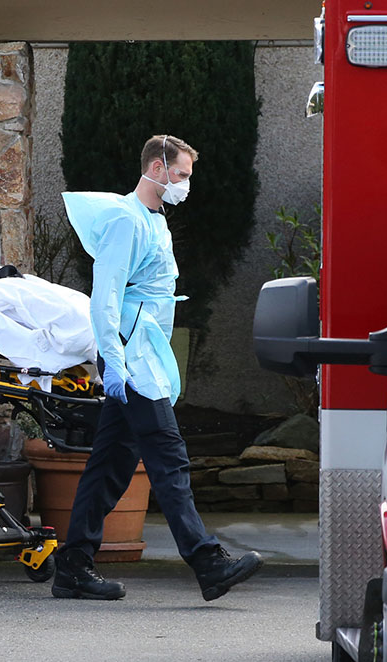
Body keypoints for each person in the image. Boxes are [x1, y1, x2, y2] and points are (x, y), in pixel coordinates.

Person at [54, 135, 263, 602]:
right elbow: (105, 296)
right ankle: (208, 562)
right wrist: (112, 360)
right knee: (169, 459)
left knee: (109, 466)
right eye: (182, 175)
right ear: (156, 167)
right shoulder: (128, 222)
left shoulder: (153, 220)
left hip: (139, 353)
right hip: (133, 359)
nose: (186, 185)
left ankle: (72, 566)